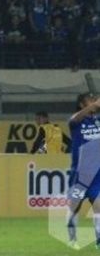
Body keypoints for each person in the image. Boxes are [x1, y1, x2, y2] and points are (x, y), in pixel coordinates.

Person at [66, 93, 100, 249]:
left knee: (99, 206)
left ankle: (99, 240)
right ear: (81, 104)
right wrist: (93, 106)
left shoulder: (98, 121)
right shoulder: (76, 120)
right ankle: (72, 239)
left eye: (95, 99)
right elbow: (74, 120)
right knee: (75, 207)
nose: (94, 101)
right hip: (80, 173)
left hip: (97, 173)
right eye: (90, 99)